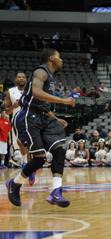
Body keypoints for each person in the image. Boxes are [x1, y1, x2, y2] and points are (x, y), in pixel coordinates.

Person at [6, 48, 75, 207]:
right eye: (59, 57)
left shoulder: (50, 77)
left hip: (43, 117)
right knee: (39, 159)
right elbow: (36, 92)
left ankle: (56, 192)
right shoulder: (41, 71)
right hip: (28, 118)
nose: (61, 60)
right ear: (51, 58)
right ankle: (15, 184)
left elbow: (42, 104)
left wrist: (56, 119)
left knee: (59, 149)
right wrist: (63, 101)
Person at [4, 72, 28, 167]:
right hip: (17, 122)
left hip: (30, 120)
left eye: (23, 77)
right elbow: (7, 112)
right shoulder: (10, 92)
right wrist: (13, 106)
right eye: (19, 77)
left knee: (30, 144)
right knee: (20, 144)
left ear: (26, 79)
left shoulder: (31, 91)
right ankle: (24, 162)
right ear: (16, 79)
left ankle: (26, 163)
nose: (21, 78)